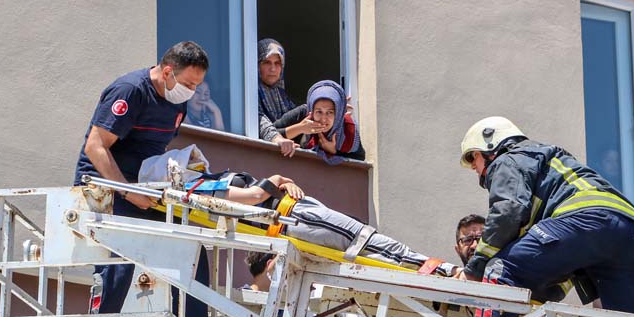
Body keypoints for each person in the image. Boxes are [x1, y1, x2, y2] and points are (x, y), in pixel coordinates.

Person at [458, 117, 634, 317]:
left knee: (498, 270)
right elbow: (559, 270)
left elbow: (508, 212)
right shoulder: (549, 165)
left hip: (587, 220)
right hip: (633, 232)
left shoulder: (507, 159)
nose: (476, 170)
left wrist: (475, 269)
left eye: (474, 159)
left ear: (489, 147)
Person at [74, 41, 212, 317]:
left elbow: (150, 152)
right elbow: (96, 147)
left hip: (145, 188)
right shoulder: (130, 90)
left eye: (197, 86)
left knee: (191, 249)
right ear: (167, 72)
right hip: (106, 187)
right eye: (189, 84)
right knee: (124, 257)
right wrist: (126, 191)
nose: (192, 92)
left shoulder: (177, 104)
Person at [183, 168, 459, 278]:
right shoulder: (205, 189)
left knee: (364, 245)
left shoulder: (207, 187)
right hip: (295, 219)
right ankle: (443, 271)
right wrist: (278, 179)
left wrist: (281, 181)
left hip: (294, 217)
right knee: (364, 241)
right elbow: (254, 196)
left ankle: (437, 271)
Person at [256, 38, 327, 157]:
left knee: (310, 112)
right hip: (262, 154)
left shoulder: (282, 97)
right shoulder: (249, 95)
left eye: (277, 63)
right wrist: (299, 128)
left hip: (284, 155)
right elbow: (260, 123)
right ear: (257, 65)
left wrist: (334, 108)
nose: (273, 69)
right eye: (267, 62)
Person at [273, 80, 365, 163]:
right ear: (311, 109)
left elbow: (360, 160)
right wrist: (300, 128)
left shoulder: (348, 128)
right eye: (319, 112)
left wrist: (333, 151)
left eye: (330, 112)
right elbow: (268, 134)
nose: (323, 119)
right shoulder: (302, 114)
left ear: (338, 114)